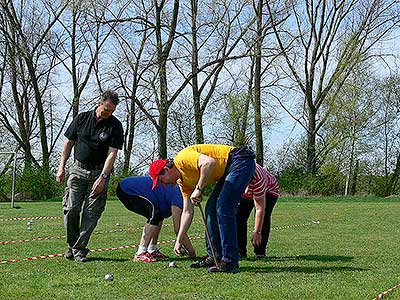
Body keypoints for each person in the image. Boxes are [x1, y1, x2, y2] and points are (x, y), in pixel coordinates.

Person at [149, 144, 255, 273]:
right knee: (210, 209)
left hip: (240, 160)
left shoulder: (182, 159)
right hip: (229, 169)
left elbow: (209, 162)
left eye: (161, 180)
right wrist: (179, 239)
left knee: (223, 208)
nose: (163, 185)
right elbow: (187, 212)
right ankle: (214, 256)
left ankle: (230, 261)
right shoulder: (182, 183)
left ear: (166, 169)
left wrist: (198, 189)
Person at [56, 90, 124, 262]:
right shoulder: (82, 118)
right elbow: (68, 143)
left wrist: (103, 177)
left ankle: (79, 249)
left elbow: (112, 154)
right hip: (77, 170)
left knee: (92, 213)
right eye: (106, 110)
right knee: (71, 209)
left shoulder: (115, 126)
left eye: (112, 111)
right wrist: (61, 167)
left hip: (99, 172)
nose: (108, 114)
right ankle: (72, 244)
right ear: (99, 103)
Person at [116, 176, 196, 262]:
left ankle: (152, 249)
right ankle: (140, 253)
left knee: (159, 215)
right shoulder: (179, 198)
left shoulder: (180, 193)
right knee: (154, 214)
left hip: (128, 188)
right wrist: (191, 252)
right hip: (127, 190)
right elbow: (178, 229)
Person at [236, 163, 280, 259]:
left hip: (270, 190)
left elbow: (260, 209)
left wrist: (257, 232)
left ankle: (260, 252)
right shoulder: (234, 171)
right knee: (239, 217)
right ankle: (240, 251)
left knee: (263, 217)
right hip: (249, 189)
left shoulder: (258, 178)